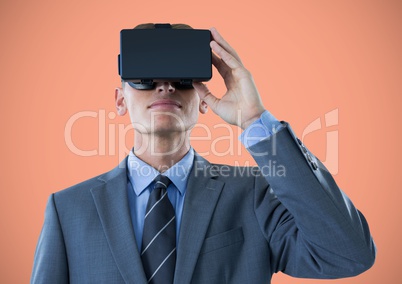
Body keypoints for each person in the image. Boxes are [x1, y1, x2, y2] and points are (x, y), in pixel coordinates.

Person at [31, 23, 376, 284]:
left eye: (183, 78)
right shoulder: (67, 209)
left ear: (204, 101)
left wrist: (255, 119)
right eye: (143, 78)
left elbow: (347, 254)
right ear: (119, 101)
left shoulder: (251, 194)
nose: (164, 85)